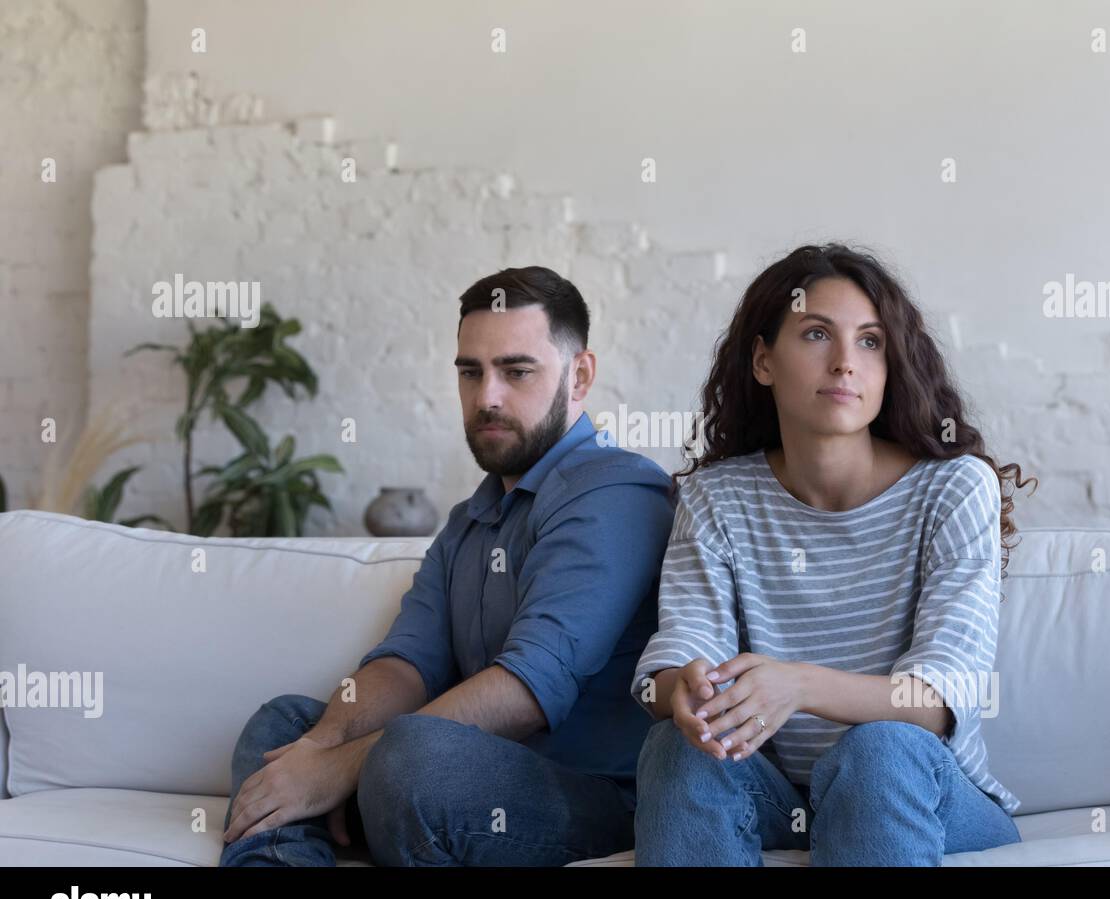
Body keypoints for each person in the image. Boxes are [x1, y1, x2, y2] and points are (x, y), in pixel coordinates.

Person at [220, 266, 674, 866]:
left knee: (415, 756)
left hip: (592, 799)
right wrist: (320, 749)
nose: (487, 396)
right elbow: (406, 663)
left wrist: (340, 769)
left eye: (516, 371)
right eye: (470, 371)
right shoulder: (470, 520)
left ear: (580, 374)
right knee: (287, 723)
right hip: (440, 781)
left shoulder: (616, 491)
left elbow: (530, 690)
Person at [630, 243, 1037, 866]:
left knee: (880, 751)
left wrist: (798, 686)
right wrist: (679, 692)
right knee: (675, 748)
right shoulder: (717, 498)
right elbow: (682, 655)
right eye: (817, 334)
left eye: (871, 342)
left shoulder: (953, 487)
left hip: (928, 795)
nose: (847, 362)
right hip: (778, 800)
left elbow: (936, 699)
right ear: (764, 360)